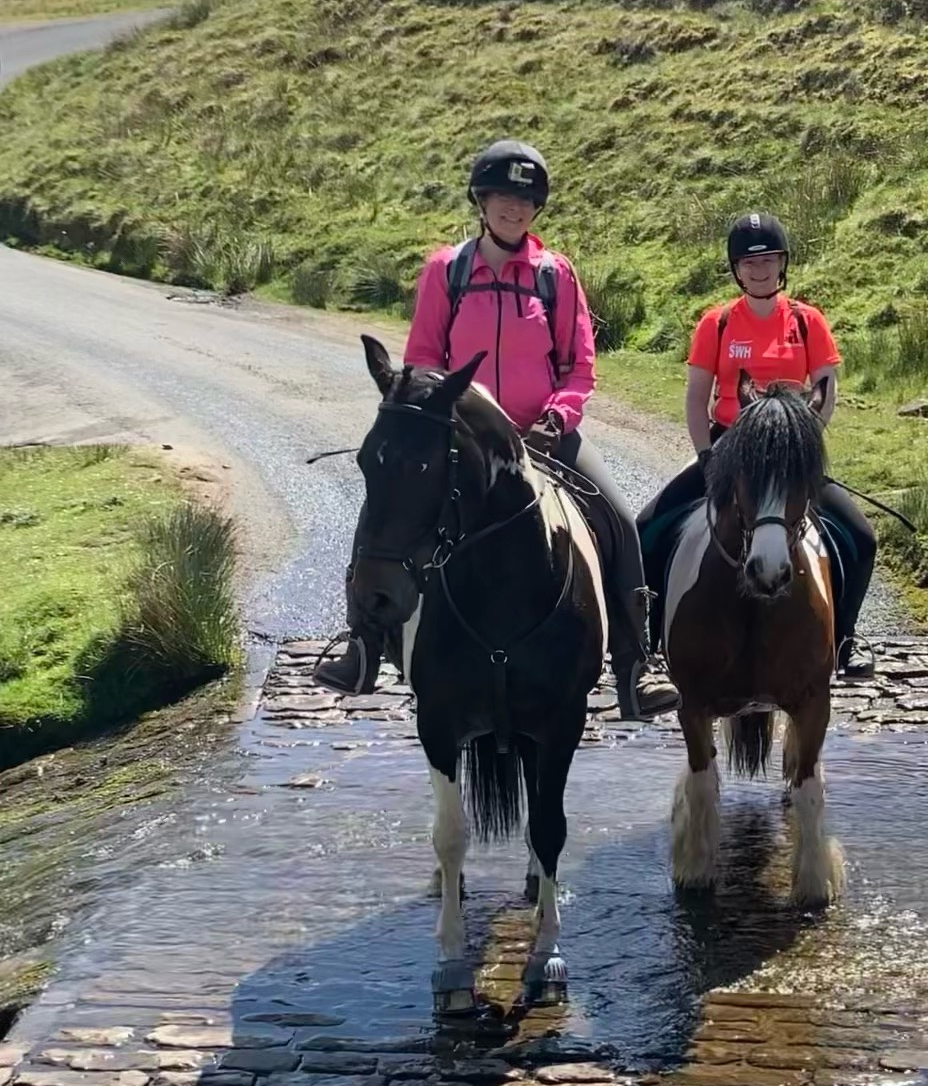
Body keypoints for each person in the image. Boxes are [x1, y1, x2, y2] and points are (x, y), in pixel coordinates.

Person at [315, 138, 678, 718]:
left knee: (617, 519)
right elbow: (425, 357)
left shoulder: (556, 275)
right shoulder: (447, 270)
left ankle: (637, 666)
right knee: (387, 508)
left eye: (526, 199)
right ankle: (362, 642)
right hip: (462, 439)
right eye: (504, 196)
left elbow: (578, 365)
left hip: (545, 434)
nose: (515, 207)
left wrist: (557, 419)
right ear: (481, 201)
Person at [637, 211, 877, 677]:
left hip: (791, 449)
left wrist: (800, 444)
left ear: (783, 263)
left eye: (769, 260)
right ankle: (649, 642)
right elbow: (695, 398)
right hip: (730, 446)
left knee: (861, 539)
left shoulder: (808, 322)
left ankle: (846, 640)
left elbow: (826, 390)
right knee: (647, 527)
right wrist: (708, 456)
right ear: (735, 270)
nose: (760, 270)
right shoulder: (718, 323)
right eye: (749, 263)